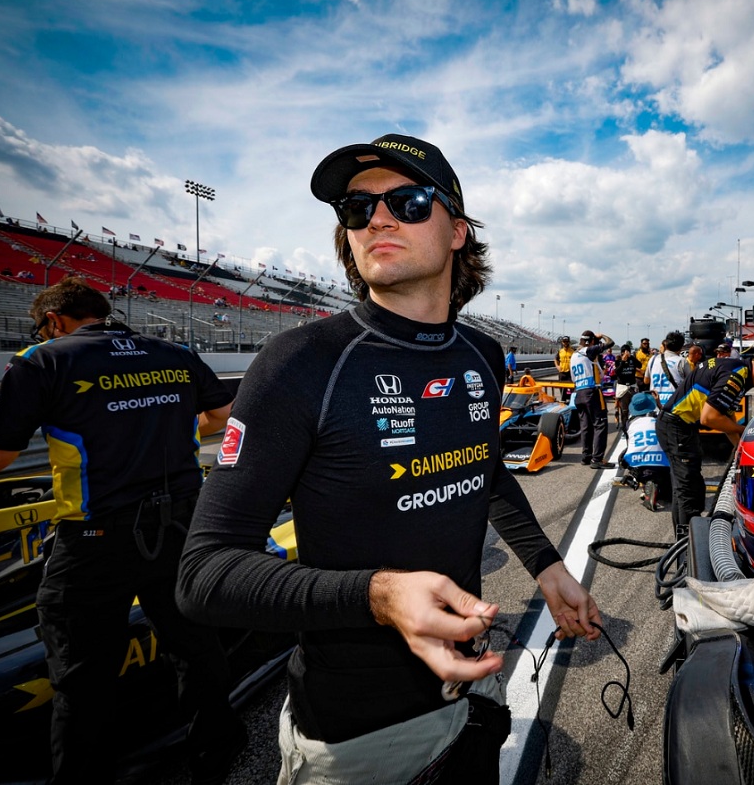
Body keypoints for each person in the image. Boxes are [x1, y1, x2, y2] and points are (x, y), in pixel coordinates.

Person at [175, 132, 600, 784]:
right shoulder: (297, 364)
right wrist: (377, 595)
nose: (375, 217)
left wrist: (545, 565)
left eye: (407, 201)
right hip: (356, 740)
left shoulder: (481, 357)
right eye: (356, 208)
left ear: (457, 231)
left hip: (473, 690)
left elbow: (482, 470)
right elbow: (203, 574)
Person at [0, 277, 244, 784]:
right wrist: (169, 426)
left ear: (53, 321)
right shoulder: (173, 351)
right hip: (180, 527)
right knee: (196, 648)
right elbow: (224, 416)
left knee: (81, 677)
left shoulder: (43, 358)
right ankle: (217, 755)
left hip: (96, 540)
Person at [656, 347, 754, 538]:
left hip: (681, 426)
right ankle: (686, 548)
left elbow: (726, 419)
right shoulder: (736, 375)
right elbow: (709, 418)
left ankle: (684, 542)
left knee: (685, 487)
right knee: (689, 491)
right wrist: (745, 431)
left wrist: (741, 448)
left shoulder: (737, 370)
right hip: (676, 426)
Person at [571, 329, 615, 468]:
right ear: (591, 342)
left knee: (586, 426)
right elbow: (611, 343)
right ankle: (597, 459)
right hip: (592, 392)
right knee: (600, 424)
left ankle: (586, 456)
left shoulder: (574, 356)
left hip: (579, 392)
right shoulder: (588, 351)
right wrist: (601, 335)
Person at [645, 330, 690, 411]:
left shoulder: (653, 359)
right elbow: (690, 384)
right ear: (681, 346)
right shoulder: (682, 361)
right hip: (674, 406)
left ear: (666, 344)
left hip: (654, 405)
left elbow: (646, 380)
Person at [612, 344, 640, 428]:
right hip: (623, 388)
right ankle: (624, 428)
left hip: (632, 386)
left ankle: (633, 427)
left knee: (635, 410)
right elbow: (616, 372)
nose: (625, 355)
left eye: (627, 353)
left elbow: (640, 365)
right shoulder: (618, 361)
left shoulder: (632, 360)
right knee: (624, 411)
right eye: (623, 353)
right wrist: (623, 361)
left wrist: (631, 357)